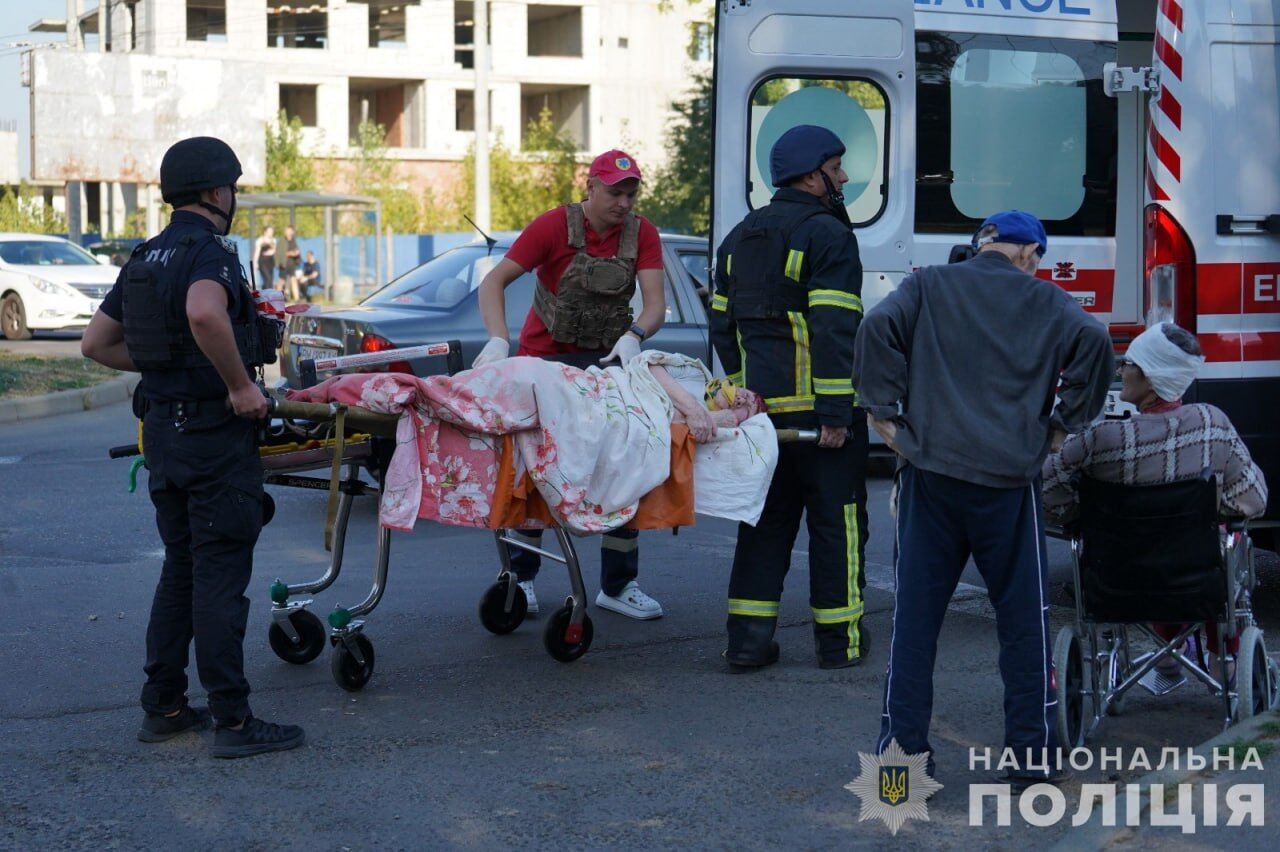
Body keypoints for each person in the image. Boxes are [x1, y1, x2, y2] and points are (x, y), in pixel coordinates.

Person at [854, 210, 1114, 788]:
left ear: (983, 247)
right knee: (1024, 627)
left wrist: (883, 411)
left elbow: (875, 328)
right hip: (1007, 482)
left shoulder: (927, 284)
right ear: (1031, 255)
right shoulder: (1047, 302)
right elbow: (1096, 342)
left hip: (931, 475)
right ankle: (1031, 764)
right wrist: (1061, 425)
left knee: (915, 627)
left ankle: (897, 775)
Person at [80, 136, 304, 758]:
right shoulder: (210, 254)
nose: (233, 197)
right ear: (214, 192)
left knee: (181, 569)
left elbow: (95, 344)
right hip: (212, 440)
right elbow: (206, 314)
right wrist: (237, 386)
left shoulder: (146, 256)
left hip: (165, 437)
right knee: (219, 578)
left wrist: (165, 369)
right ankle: (233, 722)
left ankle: (166, 707)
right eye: (231, 187)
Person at [473, 149, 667, 620]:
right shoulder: (554, 227)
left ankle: (618, 586)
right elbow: (494, 281)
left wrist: (633, 336)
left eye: (630, 193)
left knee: (621, 469)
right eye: (614, 192)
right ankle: (521, 579)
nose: (623, 203)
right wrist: (499, 340)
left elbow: (655, 305)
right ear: (591, 187)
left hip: (604, 364)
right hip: (545, 363)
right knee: (537, 472)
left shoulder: (642, 234)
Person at [710, 125, 869, 671]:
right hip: (820, 423)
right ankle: (839, 644)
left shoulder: (738, 240)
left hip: (760, 424)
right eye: (837, 166)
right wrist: (835, 414)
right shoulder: (828, 236)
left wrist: (741, 398)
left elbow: (722, 328)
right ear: (812, 173)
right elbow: (834, 329)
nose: (843, 177)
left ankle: (747, 645)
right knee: (837, 527)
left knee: (763, 526)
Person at [1042, 322, 1268, 680]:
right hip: (1195, 578)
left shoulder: (1100, 438)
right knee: (1215, 540)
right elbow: (1255, 499)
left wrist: (1081, 512)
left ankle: (1169, 648)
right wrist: (1215, 507)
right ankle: (1222, 655)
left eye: (1128, 363)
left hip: (1115, 578)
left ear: (1149, 378)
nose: (1120, 370)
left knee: (1153, 543)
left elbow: (1049, 487)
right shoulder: (1212, 424)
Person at [279, 225, 302, 301]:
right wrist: (290, 253)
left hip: (292, 263)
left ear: (292, 232)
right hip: (284, 264)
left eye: (289, 231)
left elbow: (297, 251)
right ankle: (277, 298)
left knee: (293, 280)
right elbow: (281, 253)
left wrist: (296, 253)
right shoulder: (282, 241)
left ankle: (297, 299)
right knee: (282, 281)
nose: (288, 232)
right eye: (287, 231)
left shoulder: (293, 241)